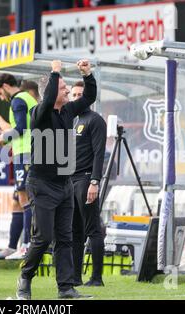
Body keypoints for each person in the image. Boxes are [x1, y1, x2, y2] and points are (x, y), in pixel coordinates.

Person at [16, 59, 96, 300]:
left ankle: (65, 287)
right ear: (50, 92)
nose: (68, 92)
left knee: (65, 238)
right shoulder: (38, 112)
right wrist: (54, 72)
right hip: (41, 183)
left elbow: (88, 97)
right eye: (63, 89)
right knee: (43, 238)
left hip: (65, 184)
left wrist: (88, 75)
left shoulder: (68, 110)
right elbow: (49, 97)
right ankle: (25, 278)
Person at [0, 74, 38, 260]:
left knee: (25, 198)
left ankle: (26, 245)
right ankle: (22, 245)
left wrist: (3, 137)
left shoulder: (18, 100)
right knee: (22, 199)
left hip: (25, 153)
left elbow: (20, 129)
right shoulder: (27, 98)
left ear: (4, 86)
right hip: (31, 151)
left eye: (0, 93)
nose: (1, 97)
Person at [70, 81, 107, 287]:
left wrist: (94, 181)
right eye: (73, 94)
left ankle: (96, 278)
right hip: (70, 180)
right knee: (74, 231)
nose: (76, 98)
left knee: (92, 229)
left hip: (85, 179)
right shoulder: (71, 120)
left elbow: (99, 154)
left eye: (80, 94)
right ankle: (75, 277)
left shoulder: (95, 120)